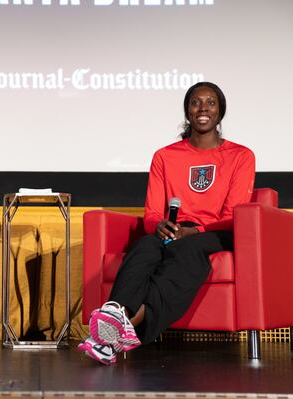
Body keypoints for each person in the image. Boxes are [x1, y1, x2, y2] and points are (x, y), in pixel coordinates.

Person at [78, 82, 255, 365]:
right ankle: (113, 321)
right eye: (196, 103)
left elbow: (233, 215)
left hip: (215, 231)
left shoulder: (240, 156)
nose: (203, 109)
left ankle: (118, 324)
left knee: (186, 251)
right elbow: (151, 215)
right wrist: (158, 227)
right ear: (187, 110)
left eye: (210, 102)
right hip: (174, 228)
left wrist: (193, 231)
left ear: (220, 111)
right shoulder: (165, 156)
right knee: (147, 244)